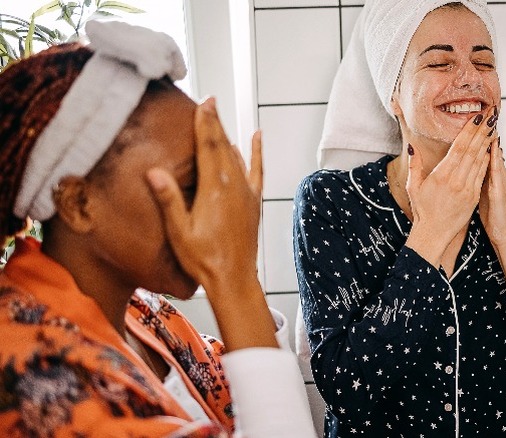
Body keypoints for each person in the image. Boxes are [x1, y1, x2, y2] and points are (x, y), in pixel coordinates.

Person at [0, 20, 316, 437]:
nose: (213, 213)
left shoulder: (141, 313)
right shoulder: (32, 373)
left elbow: (256, 394)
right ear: (79, 204)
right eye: (189, 186)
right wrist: (234, 278)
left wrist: (239, 280)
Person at [293, 1, 506, 436]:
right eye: (439, 61)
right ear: (393, 94)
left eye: (484, 62)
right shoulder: (333, 202)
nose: (470, 78)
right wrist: (432, 233)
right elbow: (347, 395)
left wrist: (505, 233)